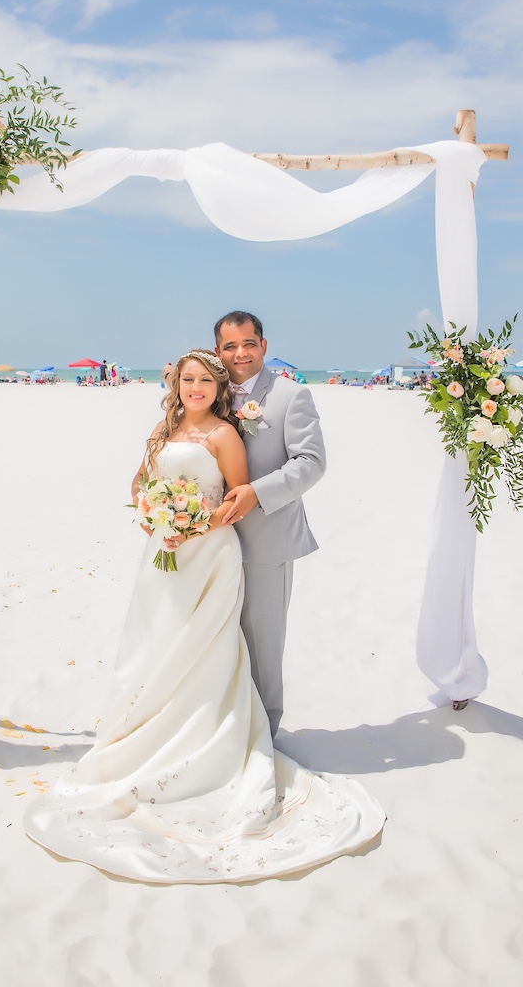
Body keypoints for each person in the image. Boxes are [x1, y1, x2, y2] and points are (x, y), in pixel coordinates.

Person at [24, 349, 384, 882]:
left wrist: (193, 523)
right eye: (187, 380)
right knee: (155, 643)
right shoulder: (162, 428)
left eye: (205, 382)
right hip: (163, 555)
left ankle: (211, 738)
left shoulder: (224, 435)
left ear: (218, 388)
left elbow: (234, 500)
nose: (196, 389)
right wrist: (152, 513)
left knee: (204, 646)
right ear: (175, 384)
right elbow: (138, 484)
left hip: (210, 553)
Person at [214, 311, 325, 738]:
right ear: (219, 351)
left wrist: (257, 493)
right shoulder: (212, 391)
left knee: (262, 643)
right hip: (212, 542)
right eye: (229, 346)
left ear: (263, 345)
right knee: (220, 639)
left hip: (266, 540)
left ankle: (264, 735)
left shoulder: (290, 395)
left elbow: (311, 463)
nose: (240, 353)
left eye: (247, 343)